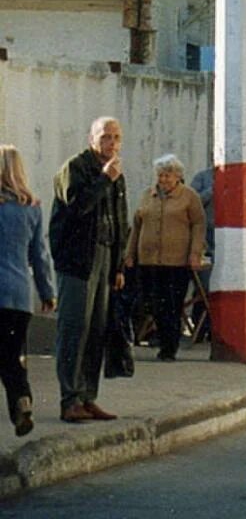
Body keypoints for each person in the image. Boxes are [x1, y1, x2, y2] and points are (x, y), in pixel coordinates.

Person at [49, 115, 128, 423]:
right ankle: (69, 398)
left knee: (96, 330)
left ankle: (87, 397)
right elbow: (77, 207)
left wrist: (119, 264)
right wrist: (103, 179)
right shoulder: (76, 168)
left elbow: (120, 219)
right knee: (74, 329)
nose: (112, 143)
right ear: (92, 139)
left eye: (117, 137)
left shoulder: (115, 173)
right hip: (78, 260)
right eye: (106, 136)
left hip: (106, 256)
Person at [123, 155, 206, 361]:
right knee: (152, 303)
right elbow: (137, 226)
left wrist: (195, 253)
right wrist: (129, 254)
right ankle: (160, 339)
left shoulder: (189, 196)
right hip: (148, 260)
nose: (164, 179)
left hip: (176, 262)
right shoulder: (147, 196)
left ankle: (169, 348)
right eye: (161, 175)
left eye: (168, 175)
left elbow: (199, 225)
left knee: (172, 304)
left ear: (178, 176)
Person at [0, 145, 55, 437]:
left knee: (6, 357)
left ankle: (21, 402)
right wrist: (47, 292)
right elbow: (39, 256)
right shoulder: (32, 208)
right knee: (11, 354)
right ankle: (22, 402)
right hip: (19, 296)